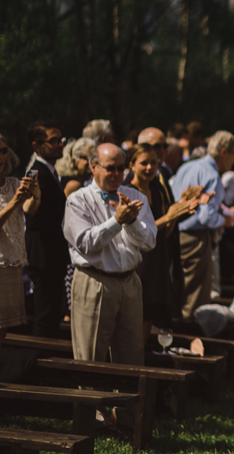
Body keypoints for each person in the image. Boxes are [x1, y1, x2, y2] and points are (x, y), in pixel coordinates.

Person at [64, 143, 157, 364]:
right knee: (90, 356)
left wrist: (132, 221)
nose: (116, 174)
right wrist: (117, 221)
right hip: (94, 281)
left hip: (130, 281)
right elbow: (85, 243)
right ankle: (88, 398)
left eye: (120, 168)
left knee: (132, 355)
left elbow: (150, 242)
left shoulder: (135, 196)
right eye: (110, 168)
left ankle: (125, 399)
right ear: (93, 166)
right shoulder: (78, 200)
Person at [127, 144, 197, 340]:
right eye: (144, 163)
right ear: (132, 165)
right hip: (138, 261)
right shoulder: (127, 192)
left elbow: (164, 234)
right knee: (136, 316)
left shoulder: (157, 191)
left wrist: (179, 209)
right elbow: (135, 231)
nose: (149, 168)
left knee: (151, 314)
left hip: (157, 260)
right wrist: (167, 217)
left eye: (154, 163)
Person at [171, 130, 234, 320]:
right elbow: (206, 217)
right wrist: (224, 219)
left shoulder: (188, 166)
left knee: (178, 291)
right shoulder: (212, 175)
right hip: (195, 240)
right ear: (224, 152)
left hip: (176, 233)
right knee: (194, 299)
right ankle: (188, 342)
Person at [24, 120, 69, 338]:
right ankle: (39, 361)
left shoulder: (49, 172)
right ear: (37, 145)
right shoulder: (37, 173)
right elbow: (34, 217)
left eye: (61, 140)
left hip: (51, 252)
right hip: (43, 253)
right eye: (53, 140)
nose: (60, 144)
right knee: (45, 312)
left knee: (52, 313)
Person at [0, 135, 40, 345]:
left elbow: (28, 210)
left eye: (3, 151)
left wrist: (35, 196)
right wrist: (15, 201)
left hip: (11, 263)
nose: (1, 156)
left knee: (3, 328)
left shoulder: (14, 183)